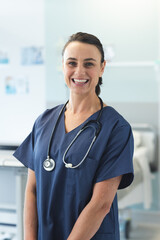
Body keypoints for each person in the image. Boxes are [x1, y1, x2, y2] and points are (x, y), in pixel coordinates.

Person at [13, 32, 134, 240]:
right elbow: (32, 190)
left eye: (89, 64)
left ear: (102, 67)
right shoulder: (44, 121)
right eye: (71, 63)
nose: (79, 71)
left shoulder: (116, 128)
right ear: (62, 66)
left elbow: (101, 205)